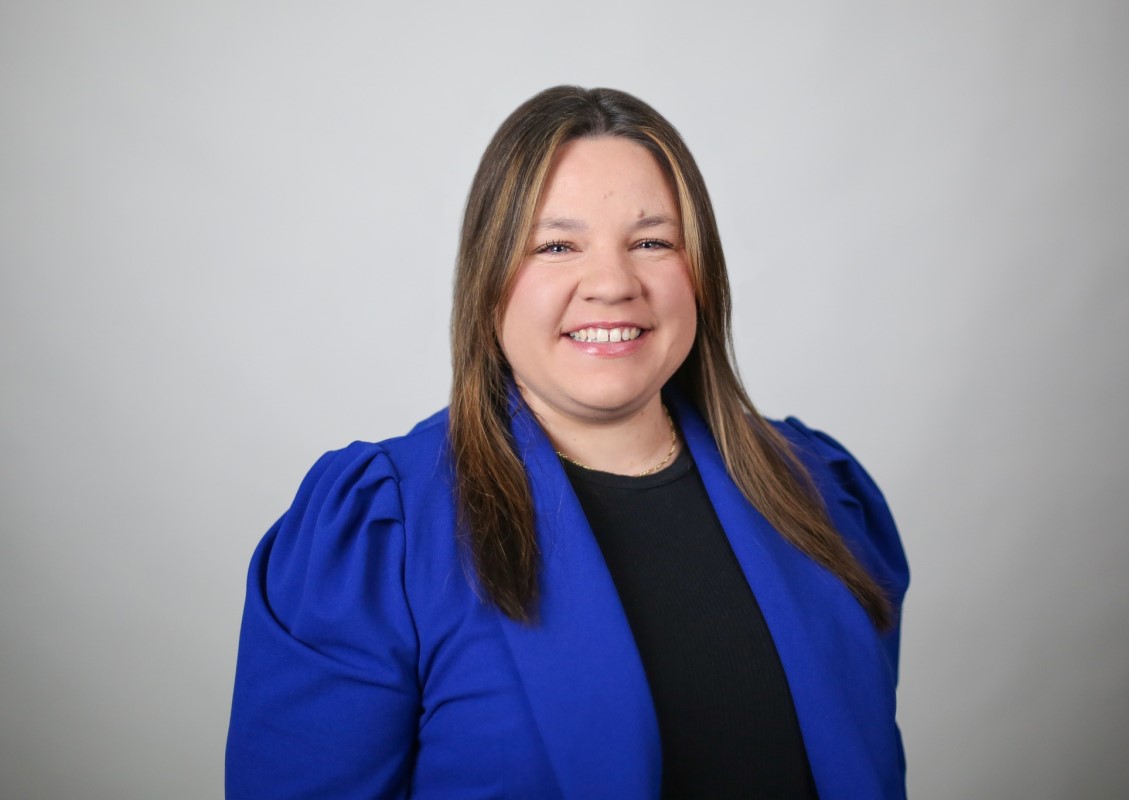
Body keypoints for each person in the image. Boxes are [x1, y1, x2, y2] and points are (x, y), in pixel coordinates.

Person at [226, 86, 909, 799]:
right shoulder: (376, 539)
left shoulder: (821, 496)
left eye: (652, 241)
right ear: (489, 282)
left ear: (700, 271)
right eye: (556, 246)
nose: (613, 284)